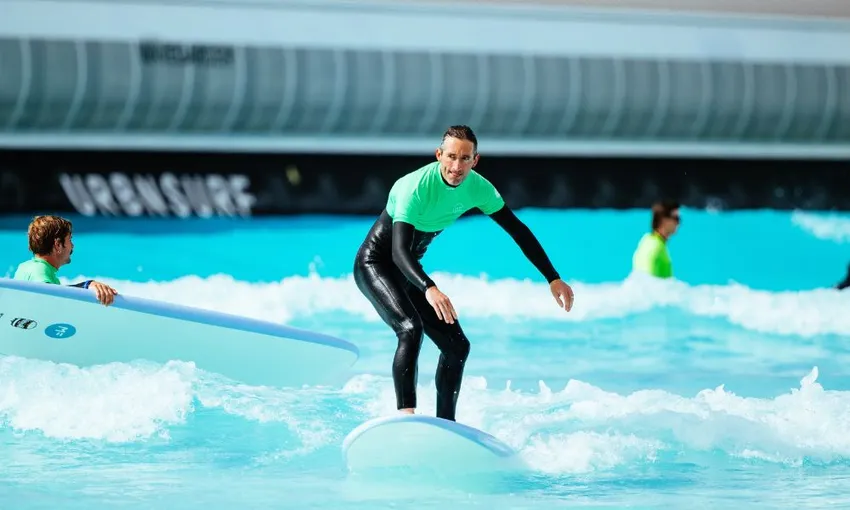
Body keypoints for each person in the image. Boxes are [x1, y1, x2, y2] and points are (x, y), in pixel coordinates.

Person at [352, 125, 574, 422]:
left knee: (457, 346)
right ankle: (406, 417)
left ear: (475, 160)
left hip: (411, 272)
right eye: (451, 157)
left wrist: (552, 277)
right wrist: (429, 287)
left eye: (465, 158)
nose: (457, 167)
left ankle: (446, 424)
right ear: (439, 155)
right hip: (376, 264)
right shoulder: (414, 187)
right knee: (410, 328)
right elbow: (398, 252)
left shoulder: (478, 188)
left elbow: (517, 230)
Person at [13, 215, 118, 306]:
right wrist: (86, 286)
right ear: (58, 245)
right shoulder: (40, 270)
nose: (72, 246)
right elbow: (48, 295)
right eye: (70, 240)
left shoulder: (25, 266)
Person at [631, 199, 681, 279]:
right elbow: (650, 283)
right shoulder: (656, 248)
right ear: (663, 219)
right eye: (676, 218)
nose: (679, 223)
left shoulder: (647, 241)